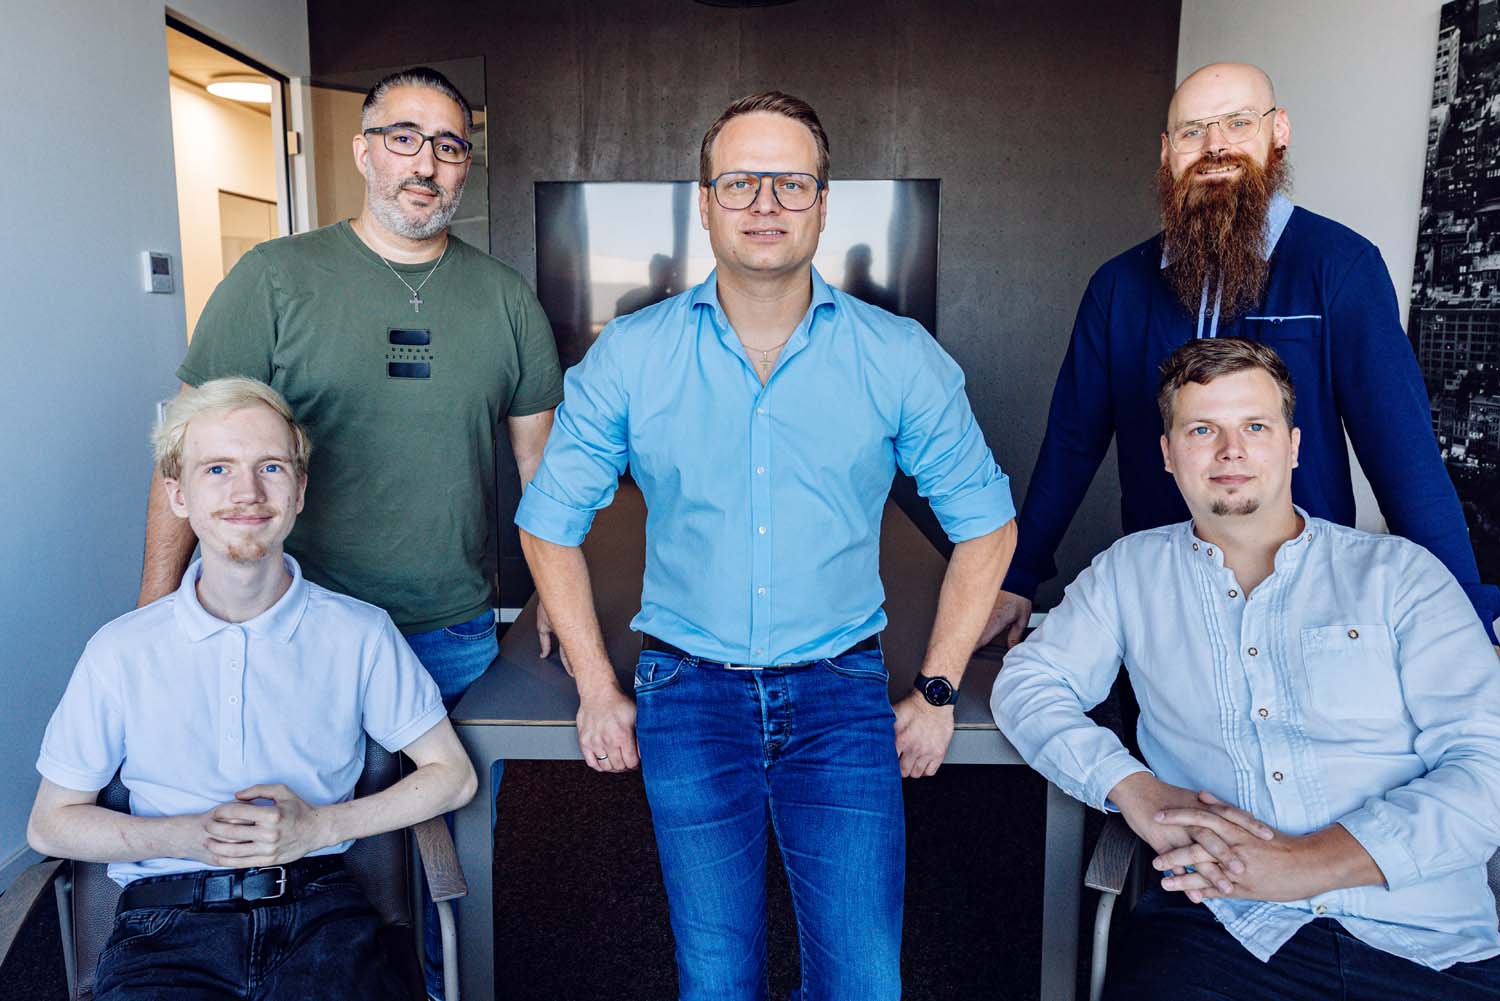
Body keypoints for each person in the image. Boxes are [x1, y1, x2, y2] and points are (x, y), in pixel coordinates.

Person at [514, 91, 1017, 1000]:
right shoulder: (630, 354)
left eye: (792, 182)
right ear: (705, 202)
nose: (766, 203)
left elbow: (988, 523)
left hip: (842, 693)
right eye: (741, 181)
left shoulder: (896, 354)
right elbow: (547, 522)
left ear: (824, 204)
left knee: (864, 979)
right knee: (715, 978)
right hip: (687, 693)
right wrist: (596, 682)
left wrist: (938, 689)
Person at [136, 67, 562, 997]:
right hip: (287, 628)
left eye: (449, 146)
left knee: (430, 846)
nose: (427, 162)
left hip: (446, 629)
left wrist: (555, 600)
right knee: (284, 844)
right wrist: (154, 613)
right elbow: (188, 455)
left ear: (463, 170)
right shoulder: (275, 278)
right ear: (365, 150)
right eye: (404, 137)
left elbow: (545, 475)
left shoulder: (504, 300)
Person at [991, 339, 1500, 1000]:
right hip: (1221, 934)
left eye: (1253, 427)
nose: (1231, 451)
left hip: (1424, 939)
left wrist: (1305, 864)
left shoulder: (1401, 577)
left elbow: (1486, 768)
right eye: (1203, 429)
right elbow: (1029, 683)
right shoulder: (1129, 573)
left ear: (1291, 445)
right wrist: (1134, 787)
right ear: (1169, 454)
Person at [983, 61, 1499, 649]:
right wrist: (1018, 575)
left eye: (1237, 122)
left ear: (1279, 131)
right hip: (1163, 600)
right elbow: (1071, 444)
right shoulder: (1118, 286)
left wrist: (1463, 609)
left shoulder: (1340, 266)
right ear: (1166, 151)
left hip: (1310, 599)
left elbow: (1401, 450)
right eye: (1192, 131)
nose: (1214, 146)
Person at [30, 378, 477, 1001]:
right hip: (166, 926)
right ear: (177, 494)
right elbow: (51, 825)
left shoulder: (360, 633)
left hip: (321, 914)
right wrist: (188, 835)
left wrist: (317, 828)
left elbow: (453, 775)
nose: (247, 493)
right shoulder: (120, 649)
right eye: (218, 468)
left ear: (299, 491)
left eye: (270, 466)